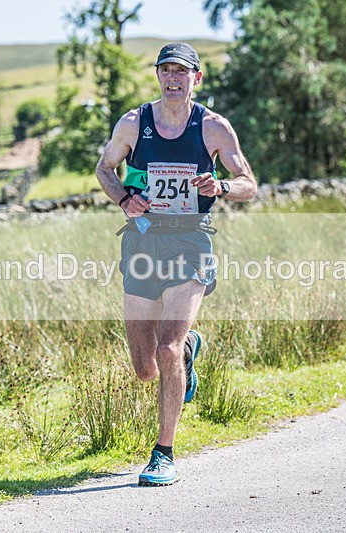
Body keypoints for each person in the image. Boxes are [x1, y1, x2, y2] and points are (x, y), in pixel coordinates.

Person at [95, 42, 257, 486]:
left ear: (196, 79)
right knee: (145, 367)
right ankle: (188, 351)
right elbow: (105, 169)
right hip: (143, 243)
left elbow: (249, 184)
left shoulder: (212, 128)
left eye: (181, 72)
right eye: (166, 71)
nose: (173, 78)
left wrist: (221, 187)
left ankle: (163, 454)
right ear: (158, 76)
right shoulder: (134, 123)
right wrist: (125, 197)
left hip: (191, 242)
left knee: (166, 348)